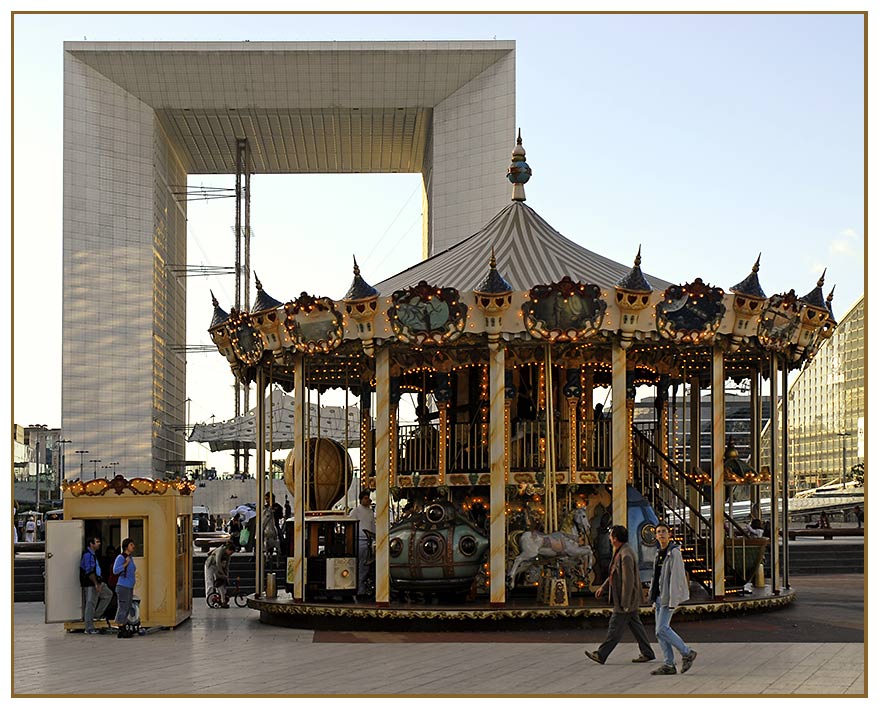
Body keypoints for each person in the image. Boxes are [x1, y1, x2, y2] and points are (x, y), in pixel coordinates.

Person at [584, 525, 655, 666]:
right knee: (636, 626)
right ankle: (647, 652)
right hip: (626, 598)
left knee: (615, 626)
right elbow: (613, 574)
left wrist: (626, 602)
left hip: (625, 599)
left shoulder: (626, 555)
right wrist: (603, 588)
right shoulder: (621, 551)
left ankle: (601, 654)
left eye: (611, 536)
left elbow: (628, 581)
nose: (610, 538)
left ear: (615, 538)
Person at [648, 522, 697, 675]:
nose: (661, 534)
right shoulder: (659, 553)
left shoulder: (674, 552)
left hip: (667, 596)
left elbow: (676, 577)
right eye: (658, 532)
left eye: (663, 531)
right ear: (655, 536)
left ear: (669, 534)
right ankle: (668, 663)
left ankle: (686, 652)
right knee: (659, 632)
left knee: (662, 628)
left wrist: (673, 600)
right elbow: (655, 576)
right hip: (658, 596)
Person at [80, 535, 113, 635]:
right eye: (97, 542)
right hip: (91, 583)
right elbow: (89, 571)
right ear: (91, 544)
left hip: (97, 581)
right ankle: (89, 627)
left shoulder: (92, 554)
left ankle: (96, 615)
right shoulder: (88, 555)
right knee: (91, 603)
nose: (99, 543)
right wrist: (95, 584)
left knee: (108, 594)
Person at [350, 491, 376, 597]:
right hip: (359, 540)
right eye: (365, 498)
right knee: (361, 564)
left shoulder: (370, 512)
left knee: (365, 565)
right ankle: (359, 588)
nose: (367, 500)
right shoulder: (355, 511)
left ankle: (363, 588)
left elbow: (372, 526)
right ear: (361, 499)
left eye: (368, 498)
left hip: (368, 540)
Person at [112, 538, 138, 638]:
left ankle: (123, 626)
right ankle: (121, 628)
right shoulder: (121, 557)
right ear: (126, 546)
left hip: (129, 586)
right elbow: (115, 570)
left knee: (127, 606)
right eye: (131, 545)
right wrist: (125, 565)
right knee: (123, 606)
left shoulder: (130, 557)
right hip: (123, 586)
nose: (133, 546)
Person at [205, 541, 235, 608]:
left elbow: (227, 566)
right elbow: (218, 562)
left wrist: (226, 576)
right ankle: (210, 601)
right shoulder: (220, 550)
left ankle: (221, 599)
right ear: (228, 549)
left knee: (220, 583)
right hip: (210, 565)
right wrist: (222, 573)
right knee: (210, 583)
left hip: (218, 567)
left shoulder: (228, 555)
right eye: (231, 552)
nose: (231, 554)